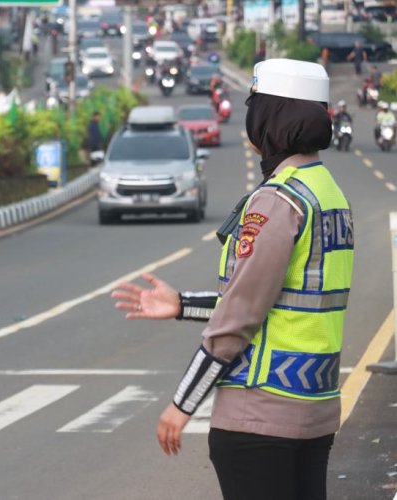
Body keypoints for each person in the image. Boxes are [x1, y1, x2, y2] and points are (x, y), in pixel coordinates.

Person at [111, 58, 352, 500]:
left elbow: (240, 315)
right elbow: (278, 296)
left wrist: (183, 404)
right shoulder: (327, 193)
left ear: (270, 117)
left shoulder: (278, 201)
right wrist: (182, 304)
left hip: (260, 415)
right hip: (315, 411)